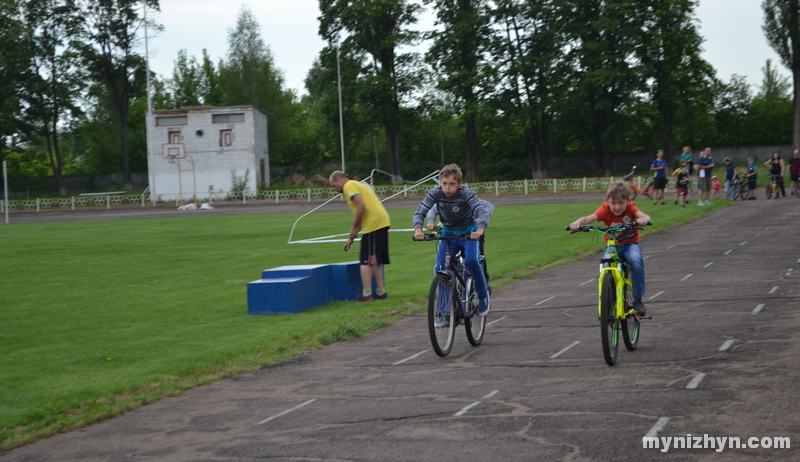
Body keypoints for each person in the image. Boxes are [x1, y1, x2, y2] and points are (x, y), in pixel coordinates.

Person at [414, 164, 492, 316]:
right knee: (439, 268)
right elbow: (420, 211)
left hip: (468, 233)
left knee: (472, 261)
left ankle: (483, 295)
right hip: (448, 233)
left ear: (459, 184)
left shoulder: (466, 194)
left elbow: (481, 211)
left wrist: (480, 230)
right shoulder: (436, 193)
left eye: (452, 184)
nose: (447, 188)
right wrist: (418, 229)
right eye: (444, 183)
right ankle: (443, 309)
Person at [569, 181, 652, 315]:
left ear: (628, 201)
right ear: (607, 201)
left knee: (636, 261)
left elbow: (644, 216)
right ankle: (606, 298)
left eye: (621, 203)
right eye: (613, 203)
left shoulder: (631, 208)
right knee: (603, 269)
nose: (617, 207)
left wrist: (644, 219)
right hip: (612, 247)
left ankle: (638, 300)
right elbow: (588, 218)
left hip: (630, 245)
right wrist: (577, 222)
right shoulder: (605, 209)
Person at [329, 170, 391, 302]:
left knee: (365, 259)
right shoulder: (356, 184)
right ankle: (381, 292)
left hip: (374, 223)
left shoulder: (348, 186)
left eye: (333, 185)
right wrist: (352, 237)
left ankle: (367, 294)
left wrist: (354, 229)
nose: (334, 189)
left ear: (340, 180)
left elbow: (361, 206)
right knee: (374, 259)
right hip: (380, 221)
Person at [426, 199, 494, 284]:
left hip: (473, 232)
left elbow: (489, 206)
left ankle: (484, 283)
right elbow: (434, 208)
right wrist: (431, 221)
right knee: (443, 263)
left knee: (477, 259)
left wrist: (480, 218)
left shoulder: (471, 200)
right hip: (452, 233)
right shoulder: (446, 202)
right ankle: (446, 287)